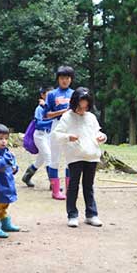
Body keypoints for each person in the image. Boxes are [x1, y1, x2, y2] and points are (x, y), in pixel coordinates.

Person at [52, 87, 107, 228]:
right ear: (74, 103)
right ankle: (72, 215)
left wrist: (102, 137)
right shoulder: (67, 117)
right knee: (73, 186)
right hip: (75, 156)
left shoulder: (91, 117)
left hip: (92, 156)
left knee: (88, 186)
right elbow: (57, 135)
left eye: (86, 106)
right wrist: (68, 137)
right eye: (80, 106)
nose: (82, 110)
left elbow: (98, 133)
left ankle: (91, 214)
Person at [45, 66, 75, 200]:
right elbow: (47, 114)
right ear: (58, 79)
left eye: (67, 78)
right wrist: (63, 111)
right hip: (57, 126)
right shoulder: (51, 94)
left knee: (71, 158)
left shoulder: (75, 94)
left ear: (71, 80)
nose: (65, 80)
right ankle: (55, 191)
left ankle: (70, 189)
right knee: (54, 158)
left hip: (71, 126)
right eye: (62, 78)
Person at [22, 86, 54, 187]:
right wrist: (52, 122)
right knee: (49, 157)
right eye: (49, 95)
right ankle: (53, 183)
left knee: (41, 159)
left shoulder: (52, 108)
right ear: (43, 95)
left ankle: (27, 176)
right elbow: (38, 124)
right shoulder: (39, 109)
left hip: (48, 135)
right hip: (40, 136)